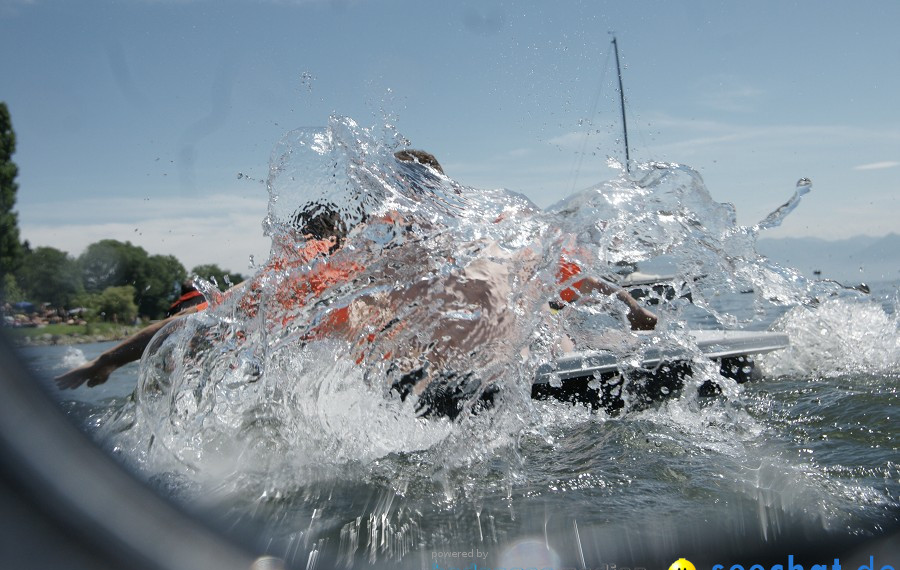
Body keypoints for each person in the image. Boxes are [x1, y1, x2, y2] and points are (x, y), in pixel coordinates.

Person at [56, 149, 655, 393]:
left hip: (494, 378)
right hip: (426, 392)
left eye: (424, 195)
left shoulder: (493, 241)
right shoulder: (356, 270)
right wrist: (108, 359)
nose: (415, 209)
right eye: (403, 198)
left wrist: (633, 306)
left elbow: (563, 270)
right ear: (389, 207)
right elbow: (221, 313)